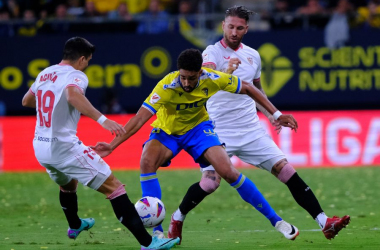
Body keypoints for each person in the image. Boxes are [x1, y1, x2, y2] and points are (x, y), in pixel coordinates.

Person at [167, 5, 351, 244]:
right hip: (216, 131)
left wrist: (274, 115)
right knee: (210, 183)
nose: (234, 32)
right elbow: (205, 80)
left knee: (287, 171)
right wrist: (226, 69)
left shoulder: (253, 55)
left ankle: (325, 222)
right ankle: (177, 218)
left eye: (239, 28)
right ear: (223, 25)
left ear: (246, 29)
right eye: (230, 26)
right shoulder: (210, 53)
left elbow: (257, 91)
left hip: (251, 129)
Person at [92, 48, 300, 247]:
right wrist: (111, 146)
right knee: (146, 161)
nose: (186, 82)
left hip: (198, 130)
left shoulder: (212, 78)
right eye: (183, 77)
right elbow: (138, 120)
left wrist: (276, 115)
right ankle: (157, 232)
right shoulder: (166, 86)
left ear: (200, 72)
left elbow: (247, 87)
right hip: (167, 132)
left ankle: (277, 221)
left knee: (227, 171)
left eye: (191, 78)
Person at [21, 37, 179, 250]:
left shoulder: (45, 73)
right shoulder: (77, 75)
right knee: (114, 187)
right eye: (88, 61)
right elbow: (71, 94)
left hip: (40, 146)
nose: (87, 65)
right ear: (82, 59)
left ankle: (75, 225)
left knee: (68, 183)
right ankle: (149, 243)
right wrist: (103, 120)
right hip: (64, 147)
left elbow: (27, 101)